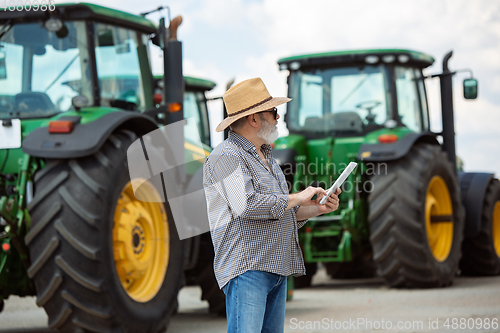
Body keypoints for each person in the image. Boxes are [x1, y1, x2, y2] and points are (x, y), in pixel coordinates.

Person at [203, 77, 341, 333]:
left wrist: (317, 207)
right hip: (248, 269)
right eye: (273, 111)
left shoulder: (268, 158)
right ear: (254, 118)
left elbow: (280, 209)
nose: (278, 118)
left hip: (274, 269)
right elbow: (247, 205)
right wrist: (299, 196)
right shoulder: (224, 156)